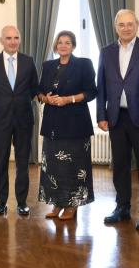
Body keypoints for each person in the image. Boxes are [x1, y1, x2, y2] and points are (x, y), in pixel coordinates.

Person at [97, 10, 139, 230]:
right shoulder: (106, 52)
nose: (126, 28)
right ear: (116, 27)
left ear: (137, 25)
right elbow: (101, 87)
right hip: (116, 117)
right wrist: (101, 115)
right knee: (120, 165)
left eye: (130, 24)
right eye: (121, 24)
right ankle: (122, 207)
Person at [38, 31, 97, 220]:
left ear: (73, 46)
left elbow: (91, 92)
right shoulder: (48, 66)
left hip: (75, 125)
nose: (63, 45)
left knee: (74, 167)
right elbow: (39, 91)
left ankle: (72, 205)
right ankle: (56, 203)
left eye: (68, 42)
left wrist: (68, 99)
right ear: (55, 45)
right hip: (52, 125)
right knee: (54, 167)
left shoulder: (83, 64)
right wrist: (45, 98)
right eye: (60, 42)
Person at [0, 25, 38, 216]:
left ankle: (22, 202)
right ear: (1, 40)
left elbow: (34, 89)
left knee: (23, 162)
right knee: (0, 162)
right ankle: (1, 201)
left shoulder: (28, 61)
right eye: (8, 38)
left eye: (16, 38)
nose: (13, 41)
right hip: (0, 119)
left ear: (20, 40)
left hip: (24, 119)